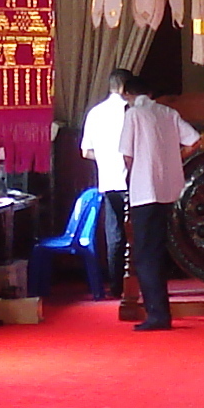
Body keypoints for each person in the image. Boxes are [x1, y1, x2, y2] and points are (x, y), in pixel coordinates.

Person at [118, 76, 204, 331]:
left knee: (145, 254)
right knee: (158, 250)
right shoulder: (168, 112)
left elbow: (127, 155)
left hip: (145, 191)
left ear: (128, 94)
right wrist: (174, 160)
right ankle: (159, 311)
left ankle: (158, 315)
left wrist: (137, 173)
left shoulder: (134, 114)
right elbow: (194, 141)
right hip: (169, 189)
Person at [79, 70, 132, 296]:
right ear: (125, 88)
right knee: (139, 235)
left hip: (109, 180)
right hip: (133, 180)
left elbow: (86, 152)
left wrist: (105, 159)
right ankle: (141, 285)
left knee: (115, 235)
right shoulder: (132, 112)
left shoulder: (95, 113)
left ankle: (117, 287)